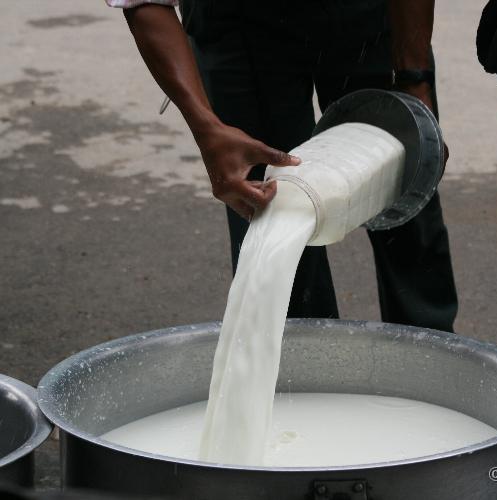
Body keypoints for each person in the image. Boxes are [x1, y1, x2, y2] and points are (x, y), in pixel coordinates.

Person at [105, 0, 458, 332]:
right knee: (269, 207)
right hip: (241, 25)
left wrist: (415, 79)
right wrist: (207, 128)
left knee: (405, 179)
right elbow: (144, 3)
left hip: (364, 15)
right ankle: (301, 375)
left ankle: (433, 358)